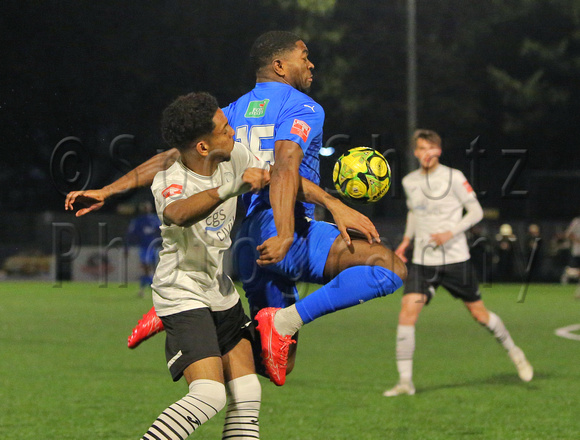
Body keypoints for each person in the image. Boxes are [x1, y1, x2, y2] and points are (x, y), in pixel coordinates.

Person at [66, 31, 407, 387]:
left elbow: (171, 156)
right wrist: (296, 228)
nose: (311, 63)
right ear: (279, 65)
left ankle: (186, 309)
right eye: (303, 56)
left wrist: (108, 190)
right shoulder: (303, 107)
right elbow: (285, 164)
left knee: (273, 365)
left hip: (249, 243)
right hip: (284, 235)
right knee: (388, 267)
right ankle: (277, 319)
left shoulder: (229, 114)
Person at [140, 91, 269, 439]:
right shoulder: (169, 180)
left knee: (247, 394)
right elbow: (179, 213)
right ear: (201, 146)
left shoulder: (235, 154)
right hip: (181, 292)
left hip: (220, 292)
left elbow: (279, 178)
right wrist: (230, 189)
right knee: (209, 395)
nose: (233, 134)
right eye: (225, 129)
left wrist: (336, 206)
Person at [383, 129, 533, 397]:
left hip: (455, 259)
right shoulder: (409, 181)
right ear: (415, 153)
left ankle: (514, 351)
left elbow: (475, 211)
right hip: (422, 261)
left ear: (438, 151)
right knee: (407, 311)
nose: (426, 153)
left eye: (431, 148)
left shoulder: (454, 177)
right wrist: (406, 241)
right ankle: (405, 381)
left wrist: (449, 233)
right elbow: (414, 214)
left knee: (479, 314)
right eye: (421, 148)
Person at [126, 200, 161, 297]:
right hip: (144, 248)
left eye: (147, 206)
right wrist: (127, 247)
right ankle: (151, 289)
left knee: (152, 270)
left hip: (154, 247)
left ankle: (145, 289)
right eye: (144, 207)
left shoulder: (155, 219)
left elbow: (163, 232)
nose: (146, 208)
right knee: (146, 268)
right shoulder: (138, 221)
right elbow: (130, 235)